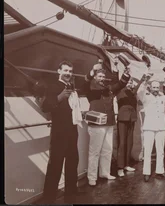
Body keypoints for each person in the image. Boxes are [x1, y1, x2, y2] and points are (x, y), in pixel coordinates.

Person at [41, 61, 83, 204]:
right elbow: (45, 107)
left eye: (70, 71)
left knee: (72, 161)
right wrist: (60, 97)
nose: (68, 73)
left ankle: (70, 192)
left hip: (72, 130)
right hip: (59, 132)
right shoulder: (53, 87)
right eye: (65, 70)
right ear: (59, 71)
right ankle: (49, 197)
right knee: (55, 164)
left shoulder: (72, 87)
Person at [83, 60, 130, 186]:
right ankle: (92, 177)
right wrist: (92, 70)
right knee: (95, 152)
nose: (102, 78)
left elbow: (120, 84)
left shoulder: (109, 88)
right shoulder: (90, 88)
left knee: (107, 150)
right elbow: (85, 81)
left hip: (109, 123)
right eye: (99, 76)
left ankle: (104, 172)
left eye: (103, 76)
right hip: (96, 124)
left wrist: (126, 73)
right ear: (95, 77)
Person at [137, 73, 165, 182]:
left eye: (157, 87)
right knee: (148, 150)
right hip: (149, 127)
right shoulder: (145, 97)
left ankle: (160, 171)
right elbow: (139, 91)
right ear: (150, 88)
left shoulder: (162, 98)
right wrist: (145, 81)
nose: (155, 89)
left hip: (160, 127)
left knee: (161, 151)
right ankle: (146, 172)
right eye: (153, 87)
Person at [116, 76, 145, 177]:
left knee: (129, 142)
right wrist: (141, 80)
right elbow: (128, 89)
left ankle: (126, 164)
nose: (129, 83)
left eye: (131, 82)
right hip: (123, 119)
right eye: (128, 82)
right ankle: (120, 167)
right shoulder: (120, 90)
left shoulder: (132, 92)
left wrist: (141, 80)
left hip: (131, 119)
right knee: (122, 143)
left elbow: (134, 91)